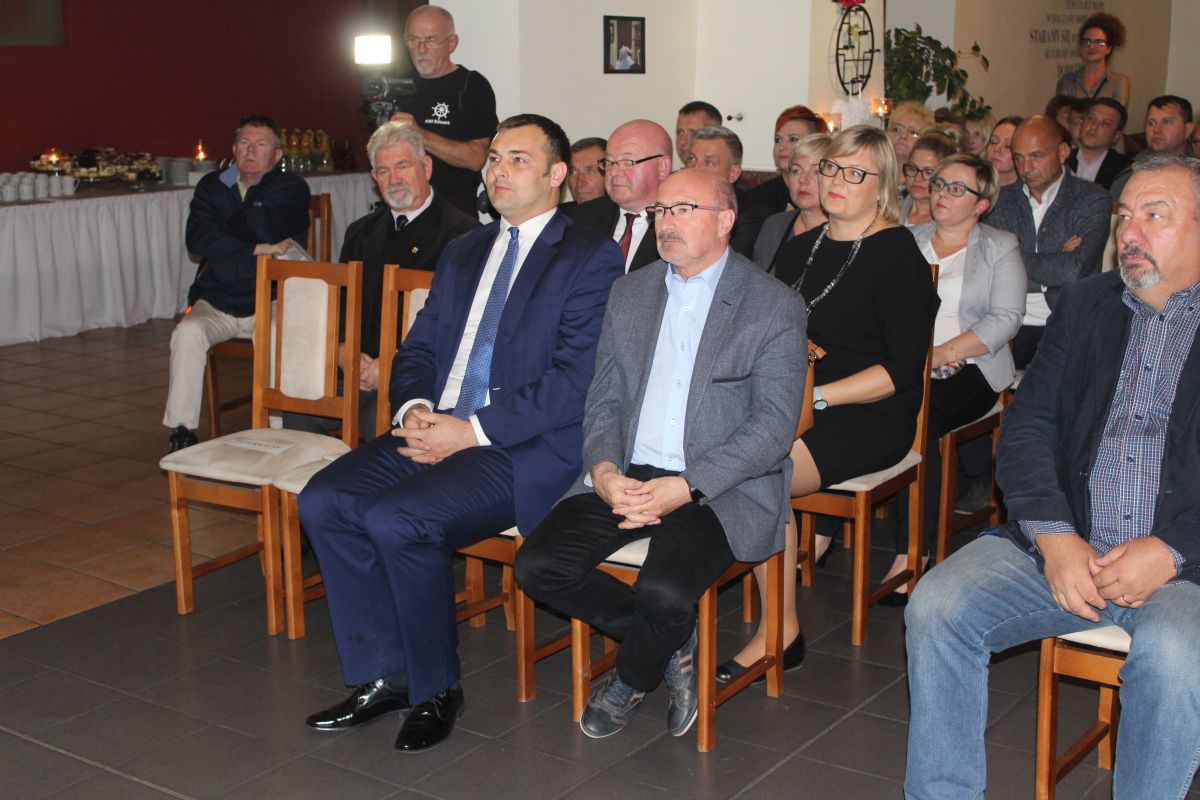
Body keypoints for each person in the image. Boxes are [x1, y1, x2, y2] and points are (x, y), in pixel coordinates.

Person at [298, 114, 624, 753]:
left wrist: (470, 430)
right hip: (437, 424)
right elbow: (418, 346)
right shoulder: (466, 249)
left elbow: (575, 381)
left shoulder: (588, 256)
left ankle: (435, 688)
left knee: (398, 518)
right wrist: (415, 408)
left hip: (519, 446)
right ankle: (385, 674)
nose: (499, 170)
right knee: (325, 500)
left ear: (557, 174)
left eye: (518, 159)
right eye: (494, 157)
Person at [904, 153, 1200, 799]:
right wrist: (1055, 536)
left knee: (1176, 656)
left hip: (1184, 565)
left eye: (1155, 216)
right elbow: (1028, 426)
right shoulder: (1090, 303)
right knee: (938, 606)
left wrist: (1172, 549)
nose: (1130, 233)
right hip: (1070, 539)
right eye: (1124, 215)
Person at [514, 168, 807, 739]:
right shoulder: (631, 292)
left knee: (664, 590)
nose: (666, 223)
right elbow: (604, 398)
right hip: (631, 472)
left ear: (725, 221)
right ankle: (670, 639)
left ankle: (630, 679)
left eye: (683, 210)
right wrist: (603, 470)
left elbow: (773, 429)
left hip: (720, 486)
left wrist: (688, 486)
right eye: (661, 211)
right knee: (537, 566)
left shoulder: (772, 305)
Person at [718, 125, 938, 682]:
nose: (837, 180)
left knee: (757, 474)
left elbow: (899, 372)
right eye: (832, 167)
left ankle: (780, 632)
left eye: (856, 172)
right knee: (709, 440)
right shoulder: (803, 245)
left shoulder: (898, 256)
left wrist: (814, 395)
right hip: (792, 401)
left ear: (883, 185)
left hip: (868, 412)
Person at [880, 154, 1026, 604]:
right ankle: (826, 529)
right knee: (853, 406)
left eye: (957, 188)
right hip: (906, 363)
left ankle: (913, 552)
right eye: (940, 183)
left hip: (973, 367)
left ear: (981, 204)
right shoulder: (905, 239)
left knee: (920, 418)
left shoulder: (999, 245)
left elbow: (1007, 317)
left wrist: (946, 352)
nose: (942, 193)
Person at [282, 121, 478, 440]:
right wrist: (342, 349)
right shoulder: (360, 232)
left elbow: (458, 325)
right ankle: (317, 474)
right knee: (298, 404)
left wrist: (391, 362)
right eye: (384, 171)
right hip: (356, 369)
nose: (394, 179)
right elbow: (341, 304)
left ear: (426, 167)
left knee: (380, 417)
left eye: (402, 166)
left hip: (420, 373)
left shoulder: (463, 235)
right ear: (374, 177)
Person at [163, 114, 310, 454]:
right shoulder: (212, 185)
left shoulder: (291, 187)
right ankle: (182, 429)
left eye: (261, 144)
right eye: (244, 143)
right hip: (219, 298)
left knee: (276, 333)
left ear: (277, 154)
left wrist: (224, 227)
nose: (251, 151)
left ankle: (277, 424)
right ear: (233, 149)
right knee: (187, 333)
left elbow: (264, 224)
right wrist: (255, 248)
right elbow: (197, 240)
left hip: (273, 298)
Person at [985, 116, 1111, 369]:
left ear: (1062, 152)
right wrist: (1058, 256)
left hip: (1067, 323)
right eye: (1019, 158)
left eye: (1037, 156)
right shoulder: (1000, 201)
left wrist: (1013, 255)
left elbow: (1074, 271)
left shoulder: (1091, 199)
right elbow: (988, 269)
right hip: (1008, 323)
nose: (1026, 167)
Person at [387, 6, 498, 216]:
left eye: (431, 40)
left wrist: (418, 134)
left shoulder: (471, 86)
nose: (421, 49)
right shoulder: (396, 86)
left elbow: (475, 159)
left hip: (454, 210)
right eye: (413, 40)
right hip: (402, 207)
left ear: (452, 43)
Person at [569, 119, 672, 272]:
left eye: (627, 162)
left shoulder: (681, 223)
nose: (614, 172)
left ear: (662, 167)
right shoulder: (583, 218)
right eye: (610, 162)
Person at [752, 133, 831, 273]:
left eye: (816, 172)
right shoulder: (775, 226)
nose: (803, 180)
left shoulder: (842, 233)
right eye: (796, 170)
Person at [688, 126, 771, 257]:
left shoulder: (751, 213)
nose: (695, 169)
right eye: (692, 159)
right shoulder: (672, 202)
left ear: (733, 173)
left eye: (709, 163)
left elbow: (731, 263)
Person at [1109, 96, 1195, 200]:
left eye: (1167, 122)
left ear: (1188, 129)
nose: (1156, 130)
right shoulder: (1130, 172)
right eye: (1151, 123)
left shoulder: (1196, 174)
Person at [750, 106, 829, 214]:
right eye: (778, 140)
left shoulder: (830, 197)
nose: (782, 147)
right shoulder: (757, 199)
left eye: (793, 139)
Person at [1055, 12, 1131, 107]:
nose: (1091, 46)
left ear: (1108, 48)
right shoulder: (1067, 82)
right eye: (1087, 41)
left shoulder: (1119, 82)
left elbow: (1117, 114)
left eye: (1099, 42)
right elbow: (1063, 113)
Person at [1066, 98, 1132, 190]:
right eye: (1090, 118)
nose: (1093, 126)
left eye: (1105, 123)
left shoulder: (1126, 171)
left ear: (1116, 135)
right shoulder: (1062, 159)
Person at [900, 132, 958, 227]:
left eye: (928, 172)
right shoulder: (889, 213)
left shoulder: (949, 225)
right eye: (912, 169)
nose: (917, 178)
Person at [886, 101, 936, 180]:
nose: (903, 136)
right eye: (897, 129)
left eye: (913, 133)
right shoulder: (873, 170)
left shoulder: (929, 180)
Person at [674, 100, 721, 167]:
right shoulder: (673, 174)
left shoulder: (728, 173)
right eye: (679, 132)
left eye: (692, 133)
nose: (682, 141)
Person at [566, 137, 607, 207]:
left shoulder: (624, 212)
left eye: (590, 171)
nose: (579, 182)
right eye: (573, 172)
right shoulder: (559, 212)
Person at [986, 115, 1022, 188]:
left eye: (1008, 146)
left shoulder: (1029, 192)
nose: (996, 149)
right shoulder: (975, 184)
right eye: (993, 142)